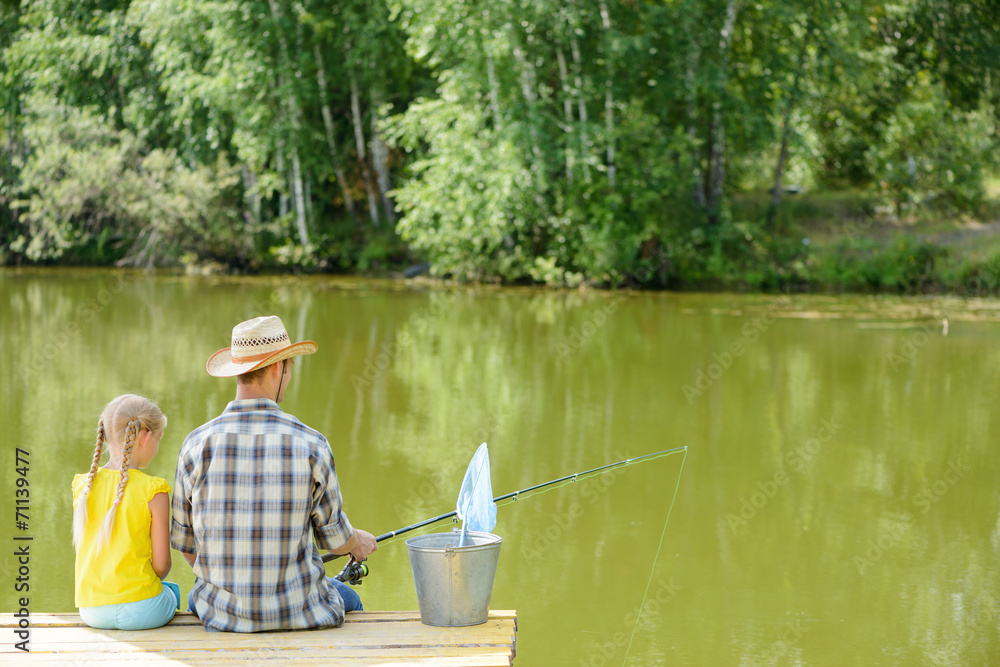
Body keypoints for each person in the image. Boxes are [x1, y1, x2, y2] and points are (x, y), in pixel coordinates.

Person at [170, 315, 377, 632]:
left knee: (196, 600)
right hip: (298, 613)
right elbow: (335, 540)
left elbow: (185, 544)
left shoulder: (195, 445)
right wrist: (357, 541)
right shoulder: (312, 444)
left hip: (220, 614)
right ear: (279, 368)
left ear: (238, 372)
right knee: (350, 599)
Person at [72, 394, 179, 630]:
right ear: (144, 437)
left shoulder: (84, 486)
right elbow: (161, 567)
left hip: (92, 611)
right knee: (172, 592)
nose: (157, 446)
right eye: (158, 438)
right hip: (143, 611)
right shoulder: (154, 491)